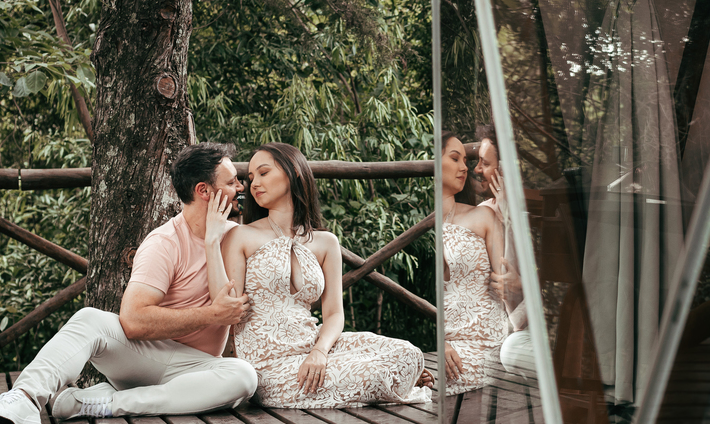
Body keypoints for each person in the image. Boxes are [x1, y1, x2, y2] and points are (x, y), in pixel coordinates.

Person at [0, 143, 259, 424]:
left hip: (195, 371)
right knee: (90, 319)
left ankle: (104, 403)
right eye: (232, 181)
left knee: (243, 377)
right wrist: (211, 314)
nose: (240, 186)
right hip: (145, 360)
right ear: (204, 191)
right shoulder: (164, 243)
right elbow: (133, 321)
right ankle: (23, 400)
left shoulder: (235, 237)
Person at [213, 142, 433, 408]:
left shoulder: (326, 242)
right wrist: (211, 242)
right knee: (376, 372)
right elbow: (227, 307)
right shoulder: (241, 236)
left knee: (409, 354)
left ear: (293, 170)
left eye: (263, 173)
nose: (254, 183)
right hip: (269, 365)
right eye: (250, 178)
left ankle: (390, 378)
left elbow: (334, 315)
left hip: (313, 345)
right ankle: (390, 381)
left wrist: (319, 352)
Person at [441, 131, 510, 394]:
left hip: (484, 340)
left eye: (466, 161)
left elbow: (507, 279)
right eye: (455, 158)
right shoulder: (421, 226)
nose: (465, 168)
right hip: (444, 343)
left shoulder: (484, 216)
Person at [472, 124, 535, 381]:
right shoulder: (484, 213)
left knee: (509, 351)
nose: (477, 170)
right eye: (478, 162)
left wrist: (510, 220)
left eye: (484, 164)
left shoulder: (532, 214)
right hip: (504, 324)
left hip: (535, 326)